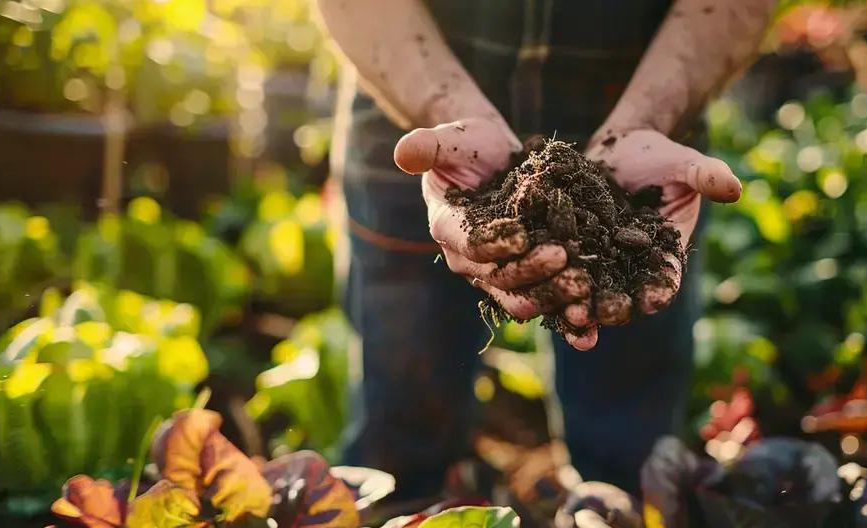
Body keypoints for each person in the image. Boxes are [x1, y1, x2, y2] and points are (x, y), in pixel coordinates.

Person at [316, 0, 776, 499]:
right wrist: (453, 112)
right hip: (419, 111)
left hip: (646, 146)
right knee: (398, 441)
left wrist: (646, 118)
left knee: (631, 459)